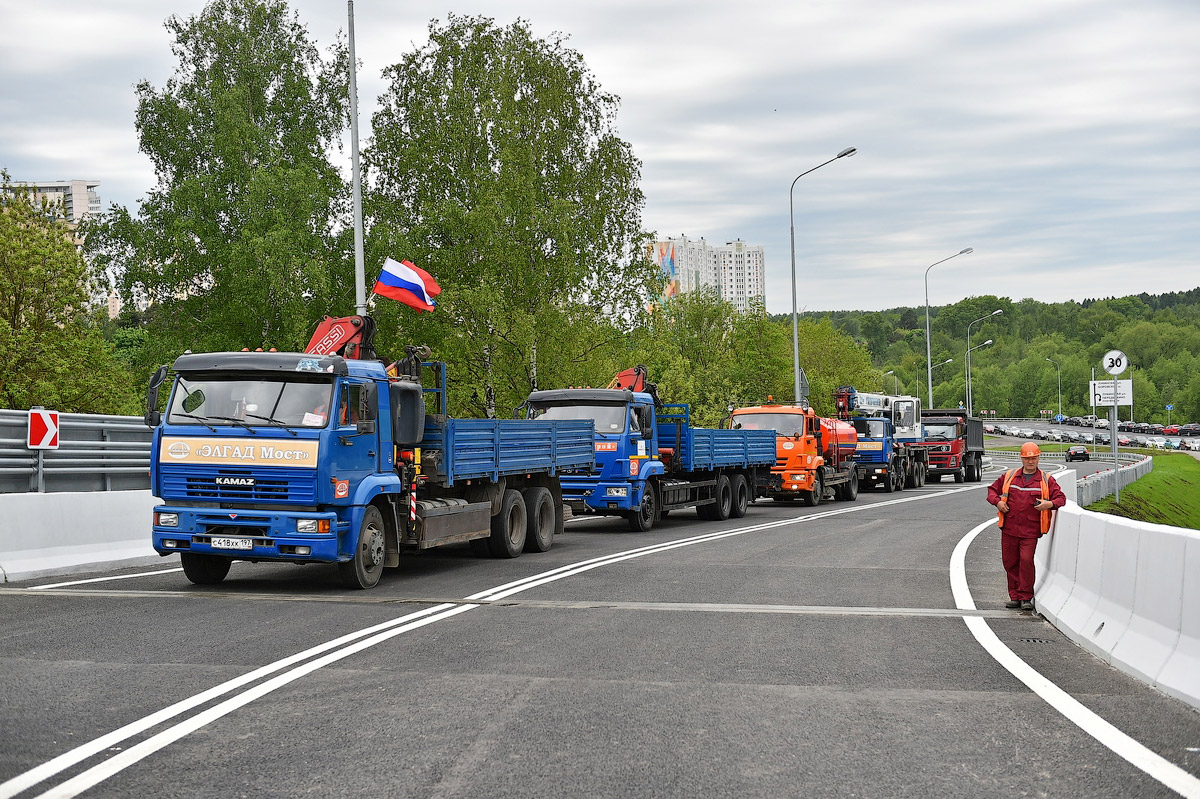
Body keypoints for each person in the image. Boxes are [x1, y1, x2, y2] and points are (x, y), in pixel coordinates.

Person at [986, 442, 1066, 611]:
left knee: (1026, 560)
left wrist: (1049, 504)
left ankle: (1026, 597)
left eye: (1034, 458)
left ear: (1038, 458)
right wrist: (998, 502)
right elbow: (992, 491)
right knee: (1010, 562)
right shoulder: (1009, 476)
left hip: (1030, 530)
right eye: (1028, 458)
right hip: (1009, 528)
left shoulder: (1046, 480)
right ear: (1022, 459)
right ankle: (1014, 596)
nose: (1031, 462)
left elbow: (1061, 499)